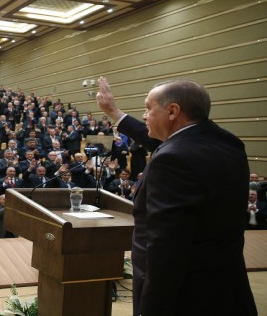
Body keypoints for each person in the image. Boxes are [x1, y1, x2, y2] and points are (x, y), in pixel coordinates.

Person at [96, 76, 256, 315]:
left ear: (172, 111)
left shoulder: (173, 160)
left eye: (149, 108)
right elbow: (165, 143)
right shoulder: (228, 143)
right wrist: (114, 112)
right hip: (225, 289)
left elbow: (167, 250)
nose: (145, 115)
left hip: (182, 298)